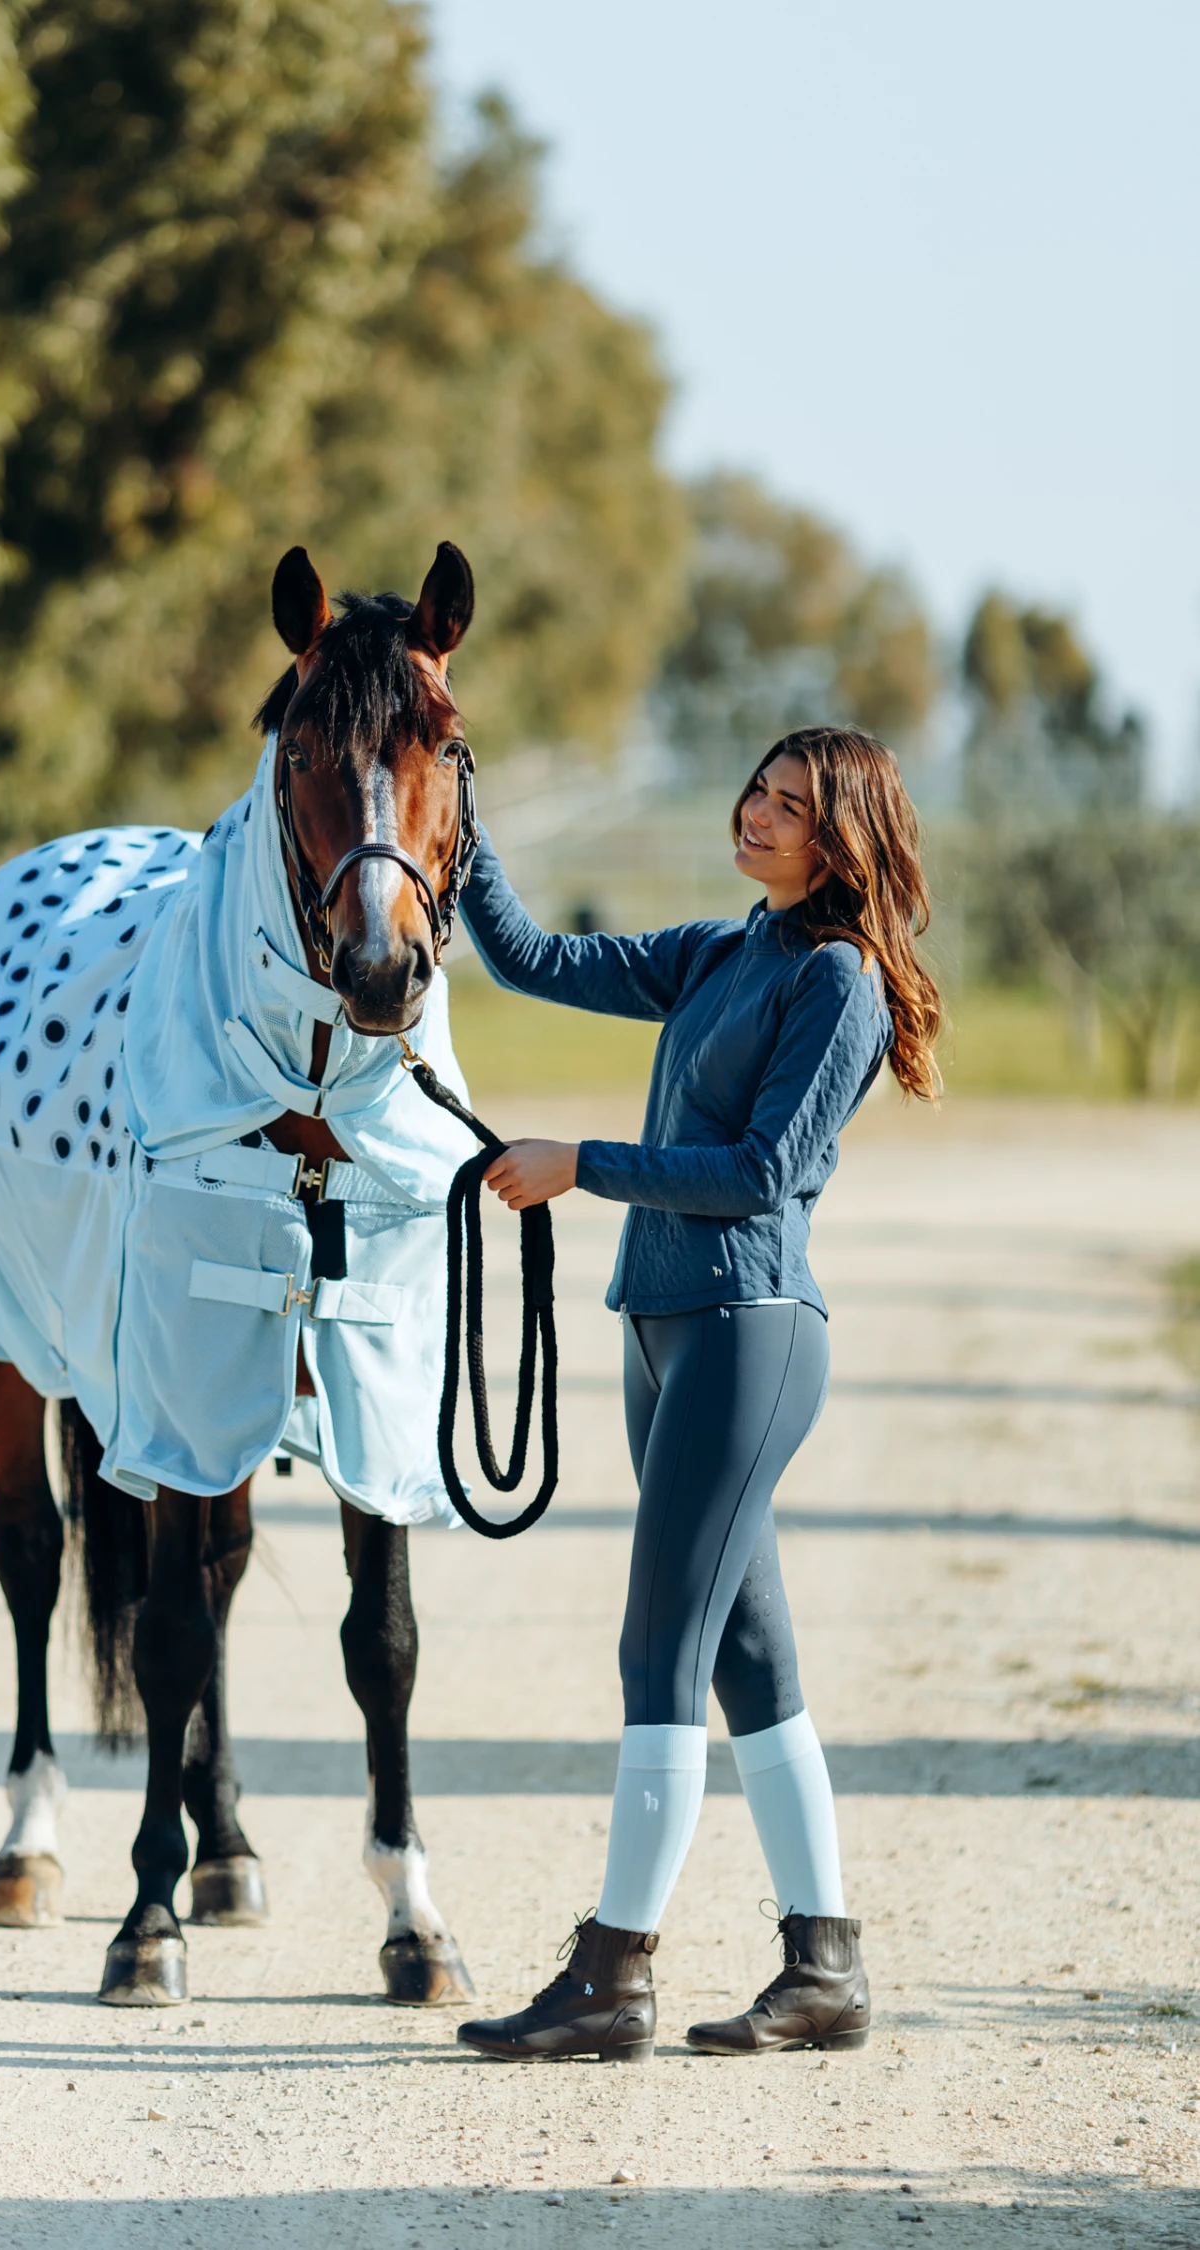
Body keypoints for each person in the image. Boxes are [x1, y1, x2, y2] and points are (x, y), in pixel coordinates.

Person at [453, 727, 941, 2062]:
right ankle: (825, 1964)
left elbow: (759, 1173)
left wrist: (583, 1161)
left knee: (656, 1644)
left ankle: (614, 1973)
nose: (761, 814)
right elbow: (531, 957)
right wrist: (461, 812)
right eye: (760, 791)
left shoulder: (836, 984)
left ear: (842, 839)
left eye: (794, 806)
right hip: (666, 1332)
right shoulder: (724, 952)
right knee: (750, 1660)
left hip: (747, 1332)